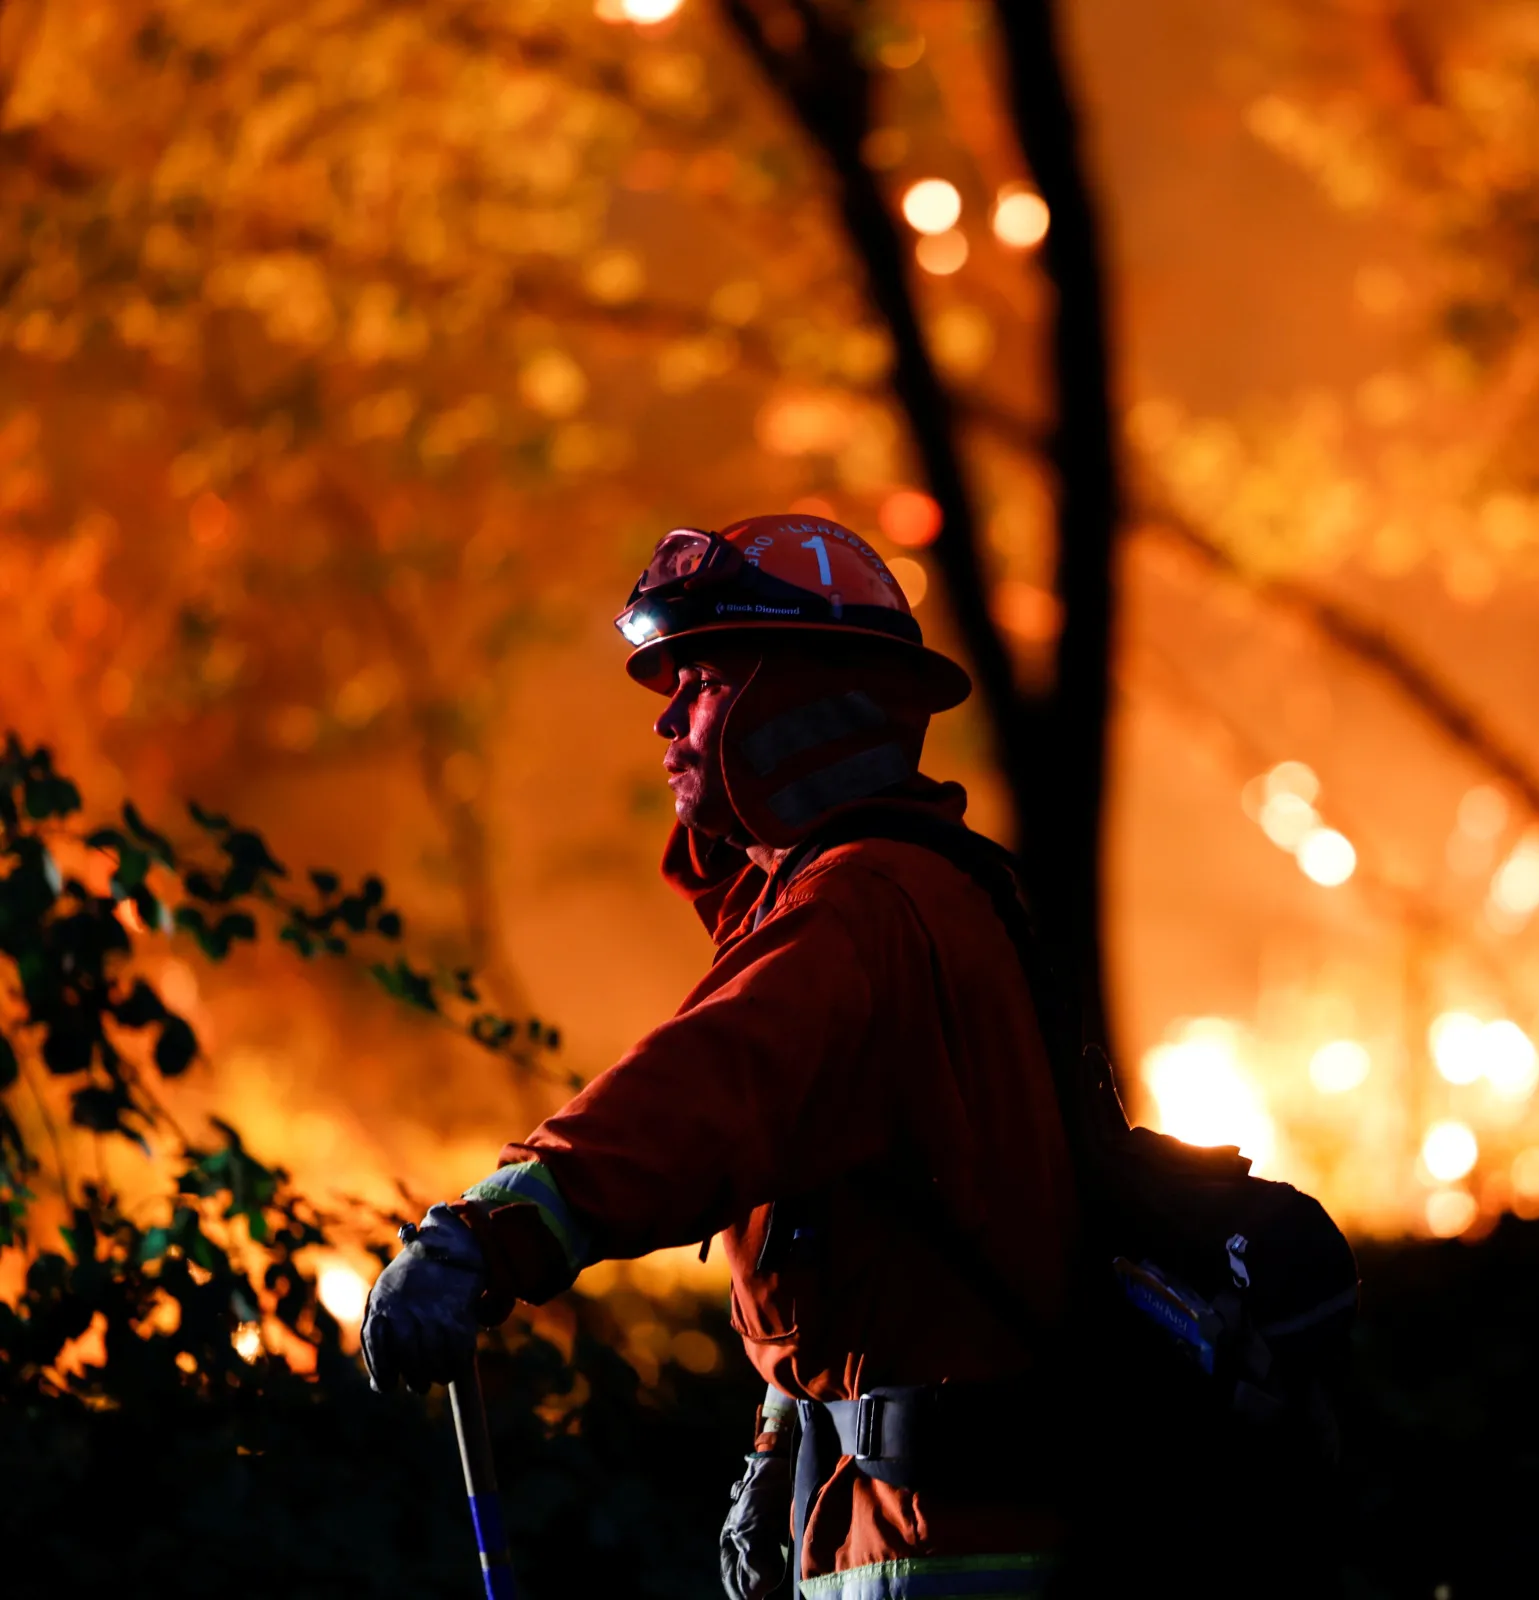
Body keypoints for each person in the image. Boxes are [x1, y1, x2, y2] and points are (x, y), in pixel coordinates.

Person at [362, 514, 1076, 1600]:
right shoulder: (918, 889)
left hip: (943, 1548)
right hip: (901, 1515)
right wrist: (782, 1436)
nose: (668, 722)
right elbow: (864, 1234)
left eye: (698, 680)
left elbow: (705, 1092)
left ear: (784, 701)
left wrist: (487, 1236)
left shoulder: (863, 909)